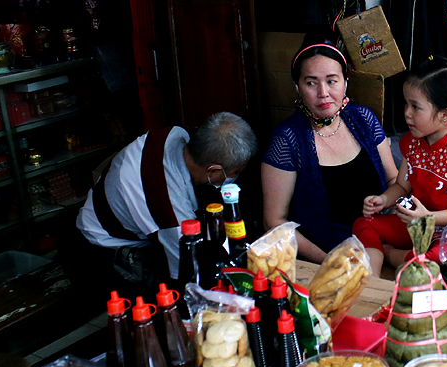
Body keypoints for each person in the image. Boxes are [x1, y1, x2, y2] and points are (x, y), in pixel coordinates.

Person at [63, 112, 258, 302]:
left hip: (120, 225)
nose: (234, 177)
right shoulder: (169, 210)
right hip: (95, 253)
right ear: (214, 170)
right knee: (158, 310)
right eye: (235, 172)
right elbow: (185, 278)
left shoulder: (176, 135)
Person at [261, 38, 399, 263]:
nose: (323, 92)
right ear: (297, 87)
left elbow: (394, 180)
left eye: (332, 81)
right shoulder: (286, 141)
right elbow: (275, 224)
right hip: (327, 257)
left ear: (345, 82)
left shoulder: (363, 119)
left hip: (382, 244)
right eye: (311, 83)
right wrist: (328, 261)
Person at [352, 56, 447, 277]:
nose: (407, 113)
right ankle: (374, 283)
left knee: (438, 259)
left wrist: (427, 218)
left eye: (416, 107)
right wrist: (383, 199)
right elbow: (402, 187)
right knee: (363, 224)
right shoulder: (412, 142)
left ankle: (391, 255)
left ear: (445, 115)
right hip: (417, 223)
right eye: (406, 103)